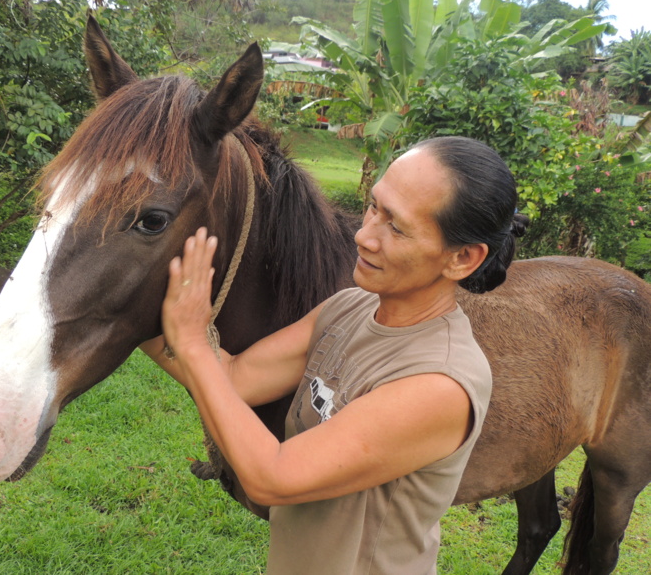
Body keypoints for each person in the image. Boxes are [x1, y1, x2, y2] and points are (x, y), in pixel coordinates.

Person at [140, 136, 526, 574]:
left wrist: (191, 342)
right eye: (374, 207)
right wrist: (131, 315)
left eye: (396, 227)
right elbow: (233, 377)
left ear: (462, 258)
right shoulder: (347, 308)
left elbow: (271, 476)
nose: (364, 235)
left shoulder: (440, 382)